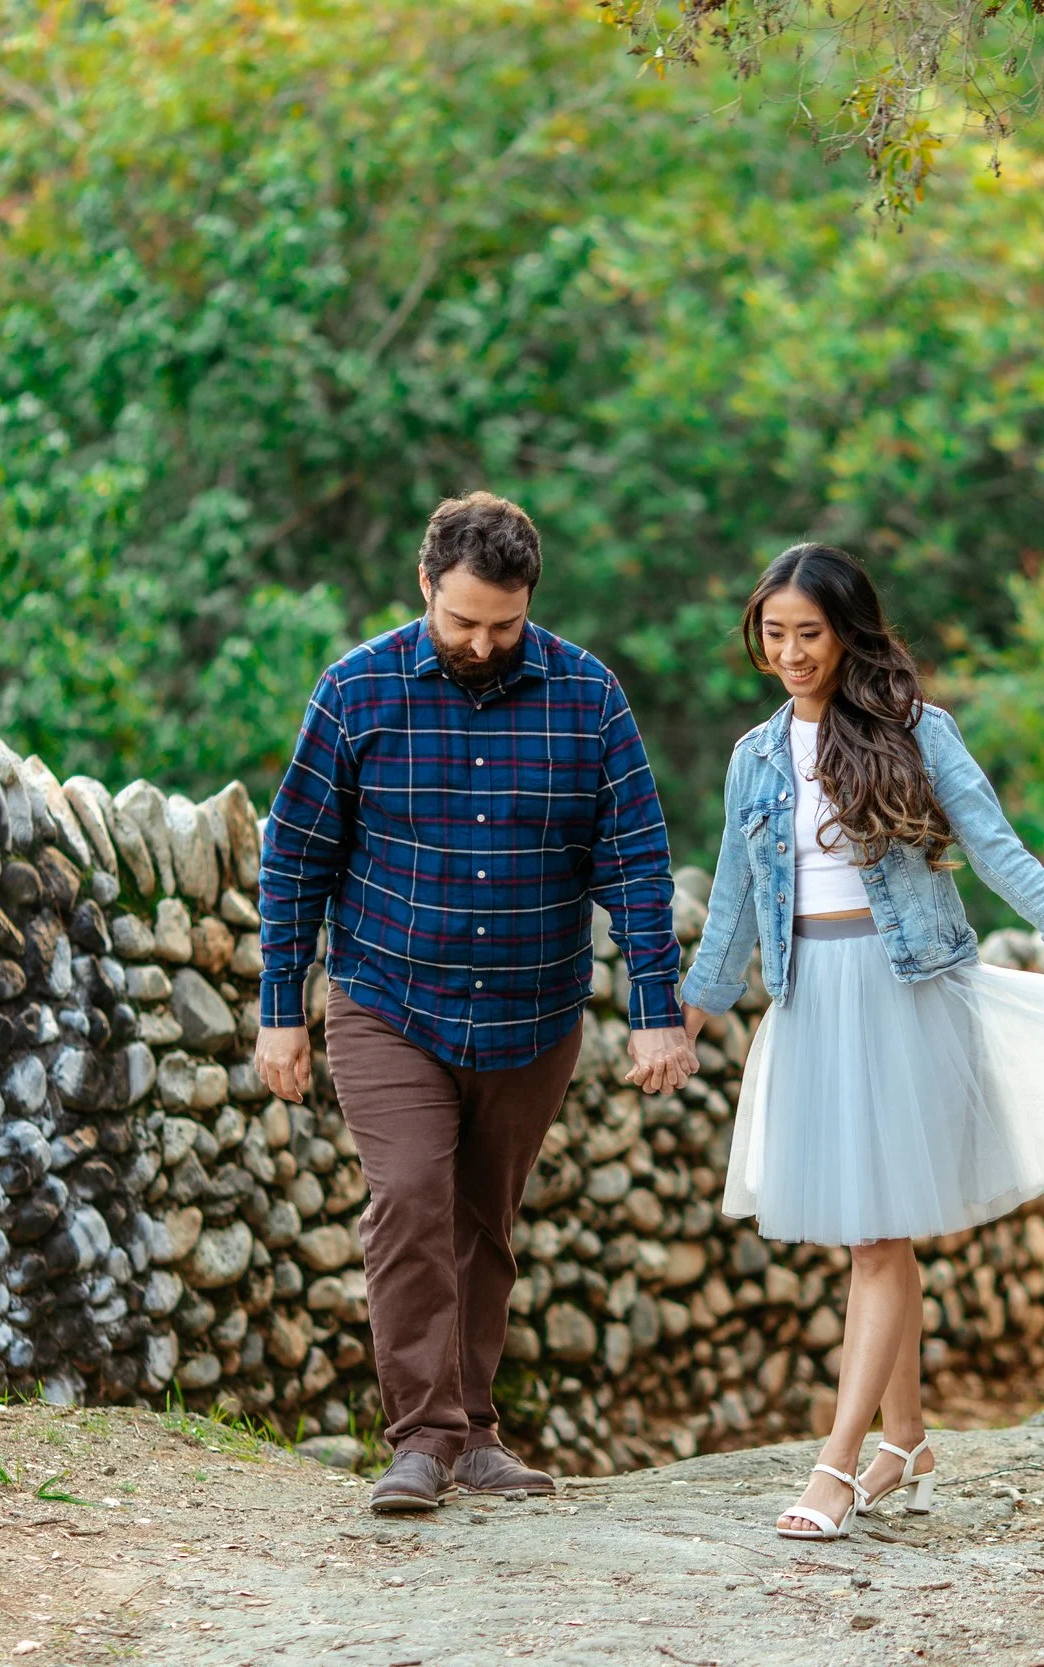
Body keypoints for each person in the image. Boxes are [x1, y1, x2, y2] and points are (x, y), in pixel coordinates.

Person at [679, 544, 1044, 1540]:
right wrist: (685, 1014)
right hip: (809, 1002)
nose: (789, 652)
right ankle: (905, 1439)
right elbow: (735, 903)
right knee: (876, 1233)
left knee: (875, 1234)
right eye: (773, 633)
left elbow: (999, 849)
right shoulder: (754, 755)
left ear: (847, 631)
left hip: (903, 990)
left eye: (808, 633)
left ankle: (836, 1462)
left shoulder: (919, 732)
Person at [255, 491, 699, 1515]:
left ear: (530, 600)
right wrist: (283, 1003)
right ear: (426, 586)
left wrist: (654, 1003)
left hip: (532, 1011)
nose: (482, 642)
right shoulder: (355, 689)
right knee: (410, 1199)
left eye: (503, 624)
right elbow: (296, 857)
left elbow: (632, 859)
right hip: (386, 996)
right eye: (462, 621)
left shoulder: (587, 695)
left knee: (482, 1224)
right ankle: (419, 1437)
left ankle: (477, 1430)